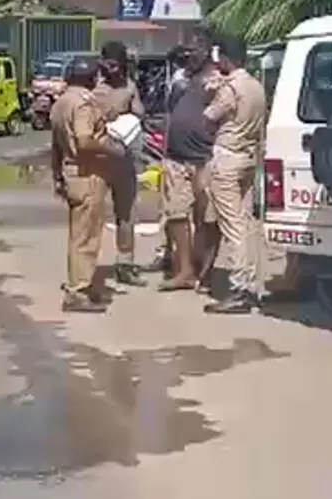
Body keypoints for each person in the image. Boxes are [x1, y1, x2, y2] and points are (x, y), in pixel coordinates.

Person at [50, 54, 125, 313]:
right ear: (91, 78)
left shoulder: (61, 102)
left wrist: (57, 176)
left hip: (71, 172)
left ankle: (83, 283)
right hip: (87, 173)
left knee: (79, 234)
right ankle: (78, 291)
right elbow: (84, 141)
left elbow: (55, 145)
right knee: (86, 237)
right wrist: (112, 149)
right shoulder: (82, 103)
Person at [201, 35, 267, 313]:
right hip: (248, 157)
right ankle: (250, 283)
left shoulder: (231, 88)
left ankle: (239, 286)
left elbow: (209, 117)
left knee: (233, 225)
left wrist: (211, 91)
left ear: (227, 59)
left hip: (228, 157)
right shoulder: (256, 86)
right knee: (247, 223)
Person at [156, 41, 219, 292]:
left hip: (206, 159)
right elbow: (170, 113)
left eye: (196, 52)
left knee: (208, 218)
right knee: (176, 213)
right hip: (176, 158)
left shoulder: (218, 82)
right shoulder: (181, 81)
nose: (191, 56)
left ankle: (205, 270)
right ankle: (185, 271)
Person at [93, 41, 146, 286]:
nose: (112, 70)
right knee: (92, 212)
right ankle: (86, 267)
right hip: (98, 158)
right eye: (108, 65)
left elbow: (140, 113)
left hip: (124, 158)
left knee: (126, 213)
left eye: (116, 65)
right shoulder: (95, 88)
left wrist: (127, 113)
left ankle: (125, 263)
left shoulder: (130, 87)